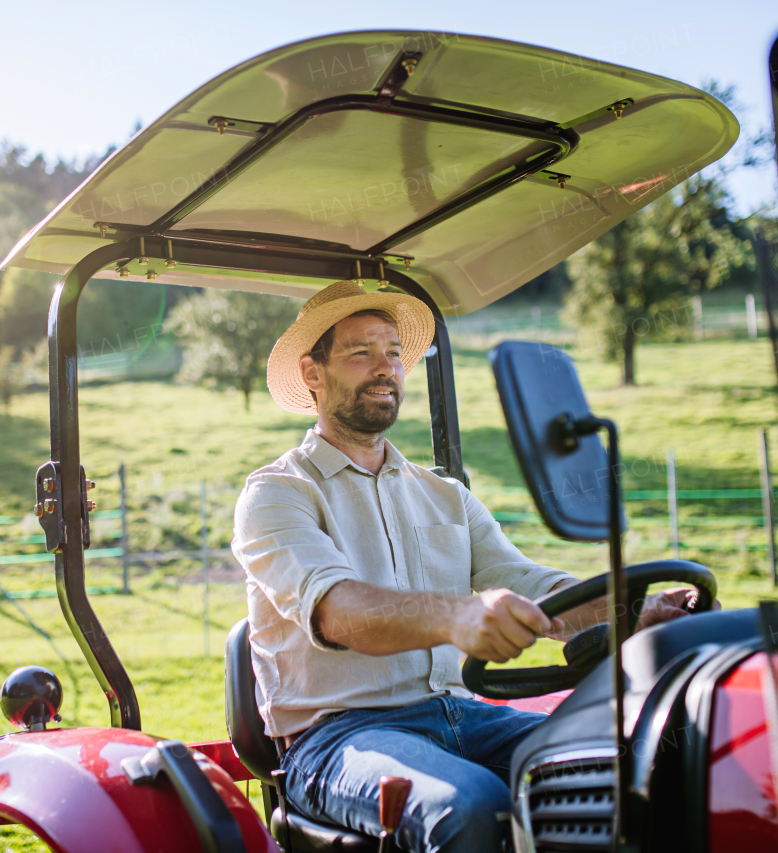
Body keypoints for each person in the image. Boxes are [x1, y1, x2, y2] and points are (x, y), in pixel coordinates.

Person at [231, 281, 704, 853]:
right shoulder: (278, 494)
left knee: (641, 764)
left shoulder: (444, 494)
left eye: (395, 353)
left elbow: (531, 583)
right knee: (470, 807)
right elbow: (339, 612)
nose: (386, 368)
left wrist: (641, 608)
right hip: (341, 736)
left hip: (468, 715)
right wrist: (457, 617)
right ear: (312, 373)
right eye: (361, 352)